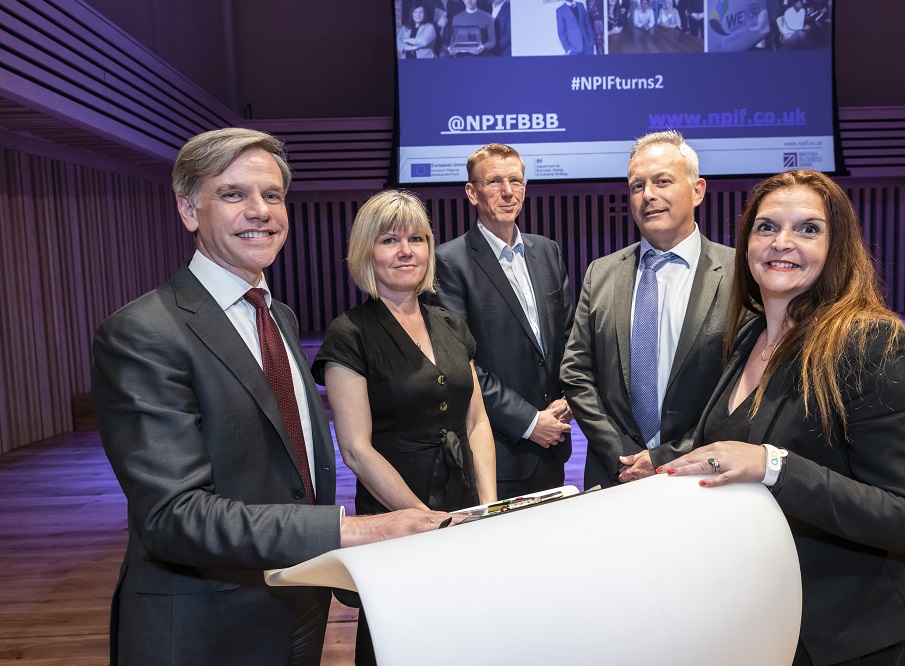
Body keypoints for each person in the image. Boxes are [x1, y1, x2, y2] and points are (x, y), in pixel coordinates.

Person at [91, 129, 457, 665]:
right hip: (207, 624)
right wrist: (354, 529)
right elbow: (174, 516)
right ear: (189, 209)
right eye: (234, 194)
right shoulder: (143, 332)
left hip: (297, 606)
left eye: (272, 195)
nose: (260, 211)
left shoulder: (277, 315)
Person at [662, 169, 905, 665]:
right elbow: (738, 440)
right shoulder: (747, 339)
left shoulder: (870, 343)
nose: (782, 242)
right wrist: (661, 462)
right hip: (767, 624)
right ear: (746, 243)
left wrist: (774, 465)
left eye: (808, 229)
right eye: (766, 227)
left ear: (837, 247)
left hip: (850, 637)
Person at [560, 130, 735, 490]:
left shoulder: (739, 275)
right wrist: (621, 454)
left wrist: (665, 457)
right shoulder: (601, 273)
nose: (648, 195)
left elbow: (743, 387)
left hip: (705, 476)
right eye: (637, 186)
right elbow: (576, 374)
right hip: (615, 476)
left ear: (698, 190)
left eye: (662, 181)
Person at [313, 189, 497, 516]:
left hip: (465, 506)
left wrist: (488, 505)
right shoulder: (349, 334)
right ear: (365, 252)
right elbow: (356, 450)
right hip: (395, 519)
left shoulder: (451, 325)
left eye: (416, 239)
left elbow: (477, 421)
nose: (405, 251)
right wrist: (424, 519)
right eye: (388, 241)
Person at [430, 144, 576, 501]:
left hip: (554, 443)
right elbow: (461, 366)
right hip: (498, 452)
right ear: (472, 192)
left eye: (516, 180)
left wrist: (570, 397)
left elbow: (573, 338)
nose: (508, 191)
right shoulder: (448, 263)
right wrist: (529, 421)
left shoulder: (548, 251)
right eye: (495, 181)